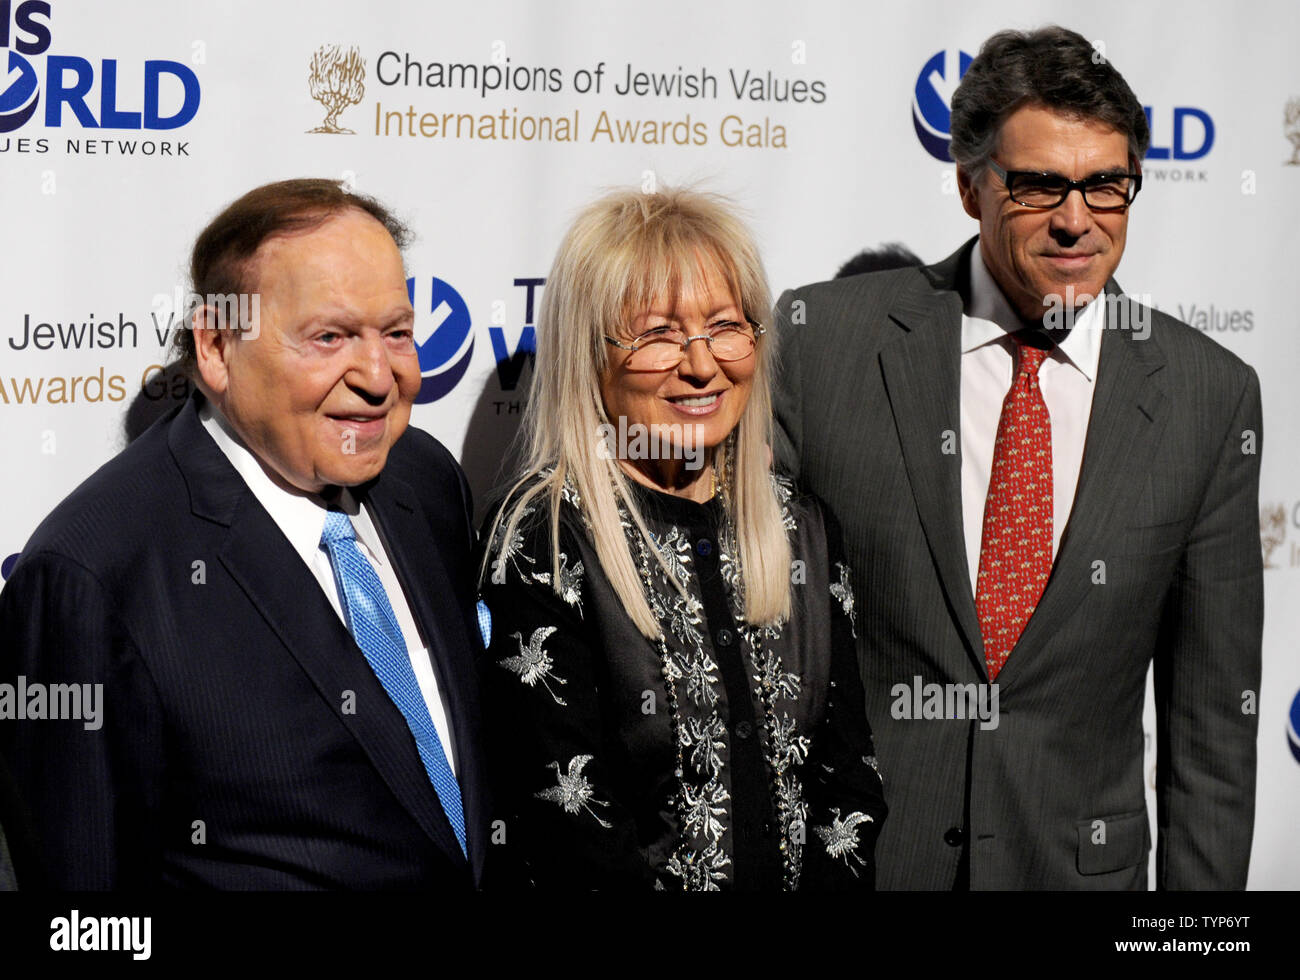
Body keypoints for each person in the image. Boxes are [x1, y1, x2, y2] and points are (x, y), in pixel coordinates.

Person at [773, 26, 1262, 890]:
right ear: (971, 186)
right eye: (1040, 185)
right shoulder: (826, 345)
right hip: (866, 869)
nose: (1076, 221)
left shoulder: (1208, 397)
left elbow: (1213, 730)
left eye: (1106, 187)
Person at [0, 179, 490, 889]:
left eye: (397, 333)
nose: (380, 377)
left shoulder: (424, 480)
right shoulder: (93, 575)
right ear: (218, 349)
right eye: (330, 337)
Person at [478, 187, 886, 891]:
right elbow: (568, 825)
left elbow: (848, 785)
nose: (702, 366)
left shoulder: (803, 527)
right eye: (658, 335)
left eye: (726, 327)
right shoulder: (543, 535)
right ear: (589, 354)